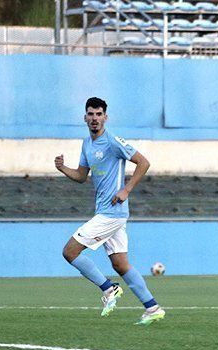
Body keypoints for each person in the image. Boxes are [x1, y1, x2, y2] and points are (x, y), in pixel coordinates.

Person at [55, 97, 165, 326]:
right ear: (85, 117)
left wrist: (126, 189)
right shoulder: (87, 144)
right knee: (120, 264)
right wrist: (62, 168)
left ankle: (109, 288)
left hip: (112, 212)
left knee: (70, 252)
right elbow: (81, 176)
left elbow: (143, 162)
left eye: (98, 114)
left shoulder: (113, 141)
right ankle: (152, 307)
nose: (94, 118)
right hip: (107, 212)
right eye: (90, 114)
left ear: (106, 117)